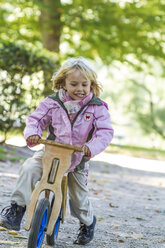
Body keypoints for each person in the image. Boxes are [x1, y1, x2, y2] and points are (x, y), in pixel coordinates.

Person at [0, 57, 114, 245]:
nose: (80, 88)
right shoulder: (52, 103)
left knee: (78, 198)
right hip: (50, 154)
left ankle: (87, 222)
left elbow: (105, 132)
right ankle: (17, 209)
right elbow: (35, 120)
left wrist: (90, 147)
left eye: (85, 84)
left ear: (91, 84)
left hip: (77, 159)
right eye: (74, 84)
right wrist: (33, 134)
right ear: (63, 83)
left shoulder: (97, 107)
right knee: (29, 168)